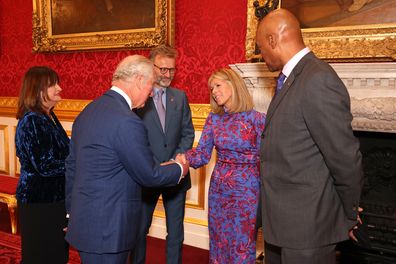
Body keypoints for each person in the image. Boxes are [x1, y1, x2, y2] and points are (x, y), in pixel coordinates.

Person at [255, 9, 364, 264]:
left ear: (273, 40)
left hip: (308, 230)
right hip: (282, 225)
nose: (262, 55)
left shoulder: (317, 79)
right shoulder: (289, 79)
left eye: (261, 48)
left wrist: (347, 215)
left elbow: (345, 158)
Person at [65, 55, 189, 264]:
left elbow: (71, 167)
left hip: (85, 222)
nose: (151, 93)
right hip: (109, 230)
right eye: (150, 85)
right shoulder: (127, 121)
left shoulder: (88, 111)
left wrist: (71, 212)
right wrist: (179, 168)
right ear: (139, 80)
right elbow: (149, 175)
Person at [176, 68, 266, 263]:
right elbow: (201, 154)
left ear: (234, 84)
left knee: (242, 245)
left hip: (247, 192)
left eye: (218, 85)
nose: (214, 91)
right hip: (219, 190)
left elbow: (270, 158)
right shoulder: (213, 119)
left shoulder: (257, 120)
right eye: (211, 88)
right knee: (219, 242)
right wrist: (183, 158)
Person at [132, 45, 194, 264]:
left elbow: (188, 133)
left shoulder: (180, 97)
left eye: (172, 70)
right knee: (139, 231)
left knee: (176, 233)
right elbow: (133, 137)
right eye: (163, 69)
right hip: (146, 175)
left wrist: (175, 161)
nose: (168, 75)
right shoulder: (139, 98)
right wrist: (154, 164)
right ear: (152, 67)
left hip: (176, 175)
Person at [15, 66, 69, 264]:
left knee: (55, 253)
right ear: (38, 90)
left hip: (53, 199)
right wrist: (76, 164)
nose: (59, 88)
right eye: (53, 84)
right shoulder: (32, 121)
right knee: (41, 255)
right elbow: (44, 166)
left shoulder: (48, 117)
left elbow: (64, 151)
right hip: (39, 202)